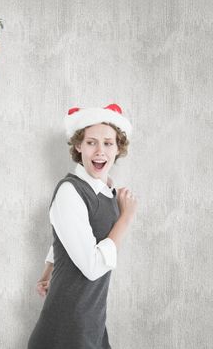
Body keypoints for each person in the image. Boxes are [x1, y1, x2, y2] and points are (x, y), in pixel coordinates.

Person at [28, 104, 137, 349]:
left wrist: (48, 270)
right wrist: (126, 218)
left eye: (108, 143)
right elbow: (91, 266)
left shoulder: (107, 190)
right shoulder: (70, 191)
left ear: (118, 147)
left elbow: (69, 234)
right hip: (68, 324)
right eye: (91, 142)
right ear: (79, 145)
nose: (100, 151)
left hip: (92, 319)